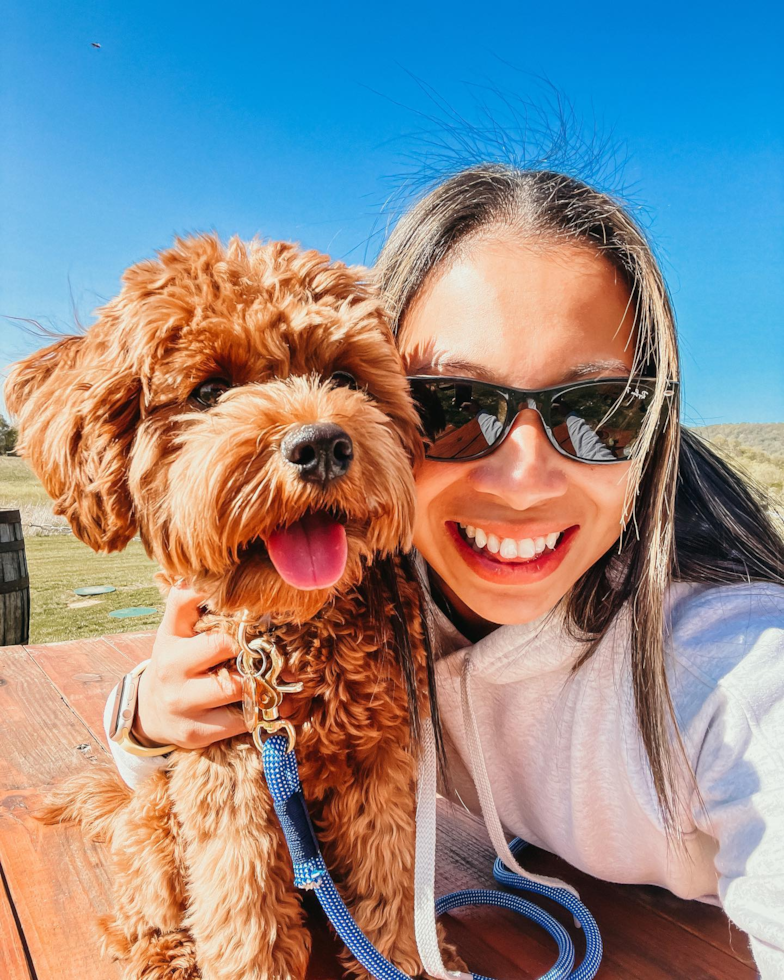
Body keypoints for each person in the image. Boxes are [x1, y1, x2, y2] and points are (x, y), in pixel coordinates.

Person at [104, 165, 784, 975]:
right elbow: (201, 737)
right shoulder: (379, 580)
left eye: (598, 412)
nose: (523, 480)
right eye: (455, 407)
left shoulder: (737, 674)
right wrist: (145, 717)